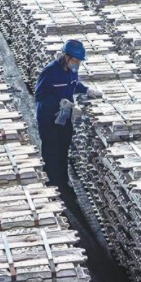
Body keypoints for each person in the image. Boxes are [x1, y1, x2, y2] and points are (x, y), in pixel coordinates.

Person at [34, 39, 102, 191]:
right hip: (48, 118)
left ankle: (63, 181)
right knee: (51, 150)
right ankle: (51, 183)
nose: (77, 64)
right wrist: (59, 101)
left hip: (64, 116)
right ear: (66, 57)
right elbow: (40, 95)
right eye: (75, 60)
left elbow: (73, 84)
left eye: (79, 61)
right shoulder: (50, 71)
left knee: (63, 147)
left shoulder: (72, 70)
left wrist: (86, 90)